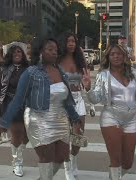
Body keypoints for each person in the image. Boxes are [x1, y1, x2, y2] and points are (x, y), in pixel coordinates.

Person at [0, 37, 81, 180]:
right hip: (39, 119)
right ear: (40, 51)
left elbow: (67, 100)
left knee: (61, 156)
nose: (55, 52)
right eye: (50, 49)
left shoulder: (60, 71)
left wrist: (75, 118)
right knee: (47, 158)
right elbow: (18, 100)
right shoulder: (31, 73)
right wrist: (4, 122)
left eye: (56, 50)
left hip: (60, 120)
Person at [83, 44, 136, 180]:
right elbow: (96, 99)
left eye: (119, 54)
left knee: (128, 162)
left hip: (130, 119)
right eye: (112, 54)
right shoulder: (104, 75)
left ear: (124, 56)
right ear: (108, 57)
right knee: (116, 160)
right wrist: (88, 88)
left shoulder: (132, 73)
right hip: (111, 117)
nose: (116, 56)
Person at [0, 42, 29, 177]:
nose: (16, 54)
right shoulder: (4, 69)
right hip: (10, 105)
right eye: (14, 52)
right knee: (17, 134)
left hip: (28, 105)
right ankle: (17, 161)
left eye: (19, 52)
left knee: (27, 136)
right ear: (10, 55)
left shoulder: (29, 68)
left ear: (22, 55)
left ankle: (18, 152)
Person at [58, 32, 87, 179]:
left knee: (78, 134)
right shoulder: (57, 60)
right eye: (68, 41)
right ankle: (67, 166)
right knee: (64, 136)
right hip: (62, 101)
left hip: (78, 99)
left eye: (74, 41)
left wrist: (87, 86)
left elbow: (86, 83)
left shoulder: (80, 60)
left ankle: (73, 159)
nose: (71, 44)